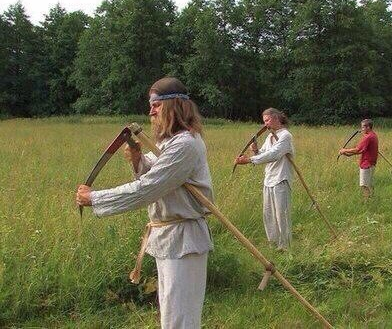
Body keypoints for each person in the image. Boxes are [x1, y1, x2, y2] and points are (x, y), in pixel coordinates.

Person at [76, 77, 214, 329]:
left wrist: (94, 198)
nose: (151, 111)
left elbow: (147, 188)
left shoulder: (185, 144)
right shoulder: (168, 143)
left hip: (184, 238)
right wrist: (138, 158)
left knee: (180, 320)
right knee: (171, 314)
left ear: (174, 105)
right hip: (169, 236)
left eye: (157, 104)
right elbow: (154, 173)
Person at [234, 108, 295, 251]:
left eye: (267, 120)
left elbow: (274, 154)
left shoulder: (286, 135)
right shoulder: (270, 137)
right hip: (269, 179)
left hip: (281, 179)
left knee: (282, 214)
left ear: (276, 118)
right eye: (264, 121)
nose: (265, 124)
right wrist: (255, 151)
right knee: (268, 214)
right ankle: (273, 244)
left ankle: (285, 247)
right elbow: (265, 153)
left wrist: (249, 160)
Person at [338, 119, 379, 200]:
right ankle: (371, 199)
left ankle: (367, 201)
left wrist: (344, 150)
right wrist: (348, 155)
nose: (361, 129)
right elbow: (362, 150)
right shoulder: (373, 135)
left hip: (366, 164)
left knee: (364, 185)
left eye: (363, 127)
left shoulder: (368, 137)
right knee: (369, 183)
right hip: (371, 163)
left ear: (368, 127)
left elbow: (358, 149)